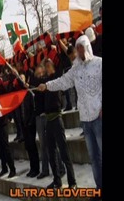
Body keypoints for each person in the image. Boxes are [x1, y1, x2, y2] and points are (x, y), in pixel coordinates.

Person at [38, 35, 102, 198]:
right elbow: (63, 81)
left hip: (99, 117)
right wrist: (47, 86)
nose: (79, 50)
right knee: (94, 158)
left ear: (88, 46)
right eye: (78, 47)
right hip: (86, 120)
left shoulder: (99, 63)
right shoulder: (75, 69)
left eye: (82, 46)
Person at [44, 59, 77, 189]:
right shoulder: (46, 82)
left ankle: (72, 181)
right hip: (48, 120)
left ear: (52, 66)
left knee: (64, 152)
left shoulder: (58, 77)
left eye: (48, 66)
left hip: (57, 119)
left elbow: (62, 59)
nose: (46, 69)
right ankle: (57, 180)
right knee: (51, 153)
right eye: (45, 67)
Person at [19, 74, 40, 178]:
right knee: (28, 147)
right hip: (24, 123)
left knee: (32, 146)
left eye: (22, 78)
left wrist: (30, 121)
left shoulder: (30, 90)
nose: (21, 81)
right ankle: (32, 168)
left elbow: (34, 108)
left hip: (30, 123)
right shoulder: (20, 93)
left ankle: (36, 168)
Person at [0, 88, 16, 178]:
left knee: (6, 149)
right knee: (0, 149)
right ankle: (4, 168)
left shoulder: (2, 102)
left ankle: (12, 169)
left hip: (3, 127)